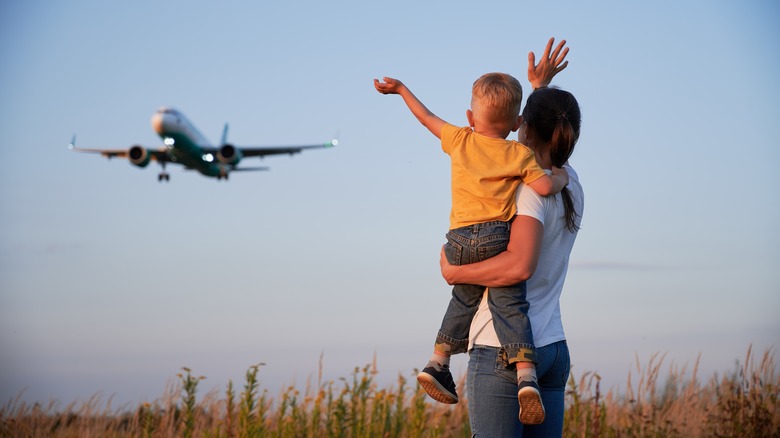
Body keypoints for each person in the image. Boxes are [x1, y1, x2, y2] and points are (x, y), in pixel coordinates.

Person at [374, 52, 568, 425]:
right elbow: (544, 186)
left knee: (462, 297)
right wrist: (558, 176)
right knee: (510, 302)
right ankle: (526, 375)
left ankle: (438, 359)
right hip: (496, 235)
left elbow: (427, 117)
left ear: (469, 117)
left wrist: (400, 89)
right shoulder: (519, 152)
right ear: (515, 123)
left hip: (459, 240)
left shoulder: (460, 139)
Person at [439, 38, 582, 437]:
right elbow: (542, 144)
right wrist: (540, 89)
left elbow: (519, 265)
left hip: (505, 349)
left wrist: (456, 272)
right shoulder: (571, 184)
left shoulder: (523, 193)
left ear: (525, 126)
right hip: (553, 347)